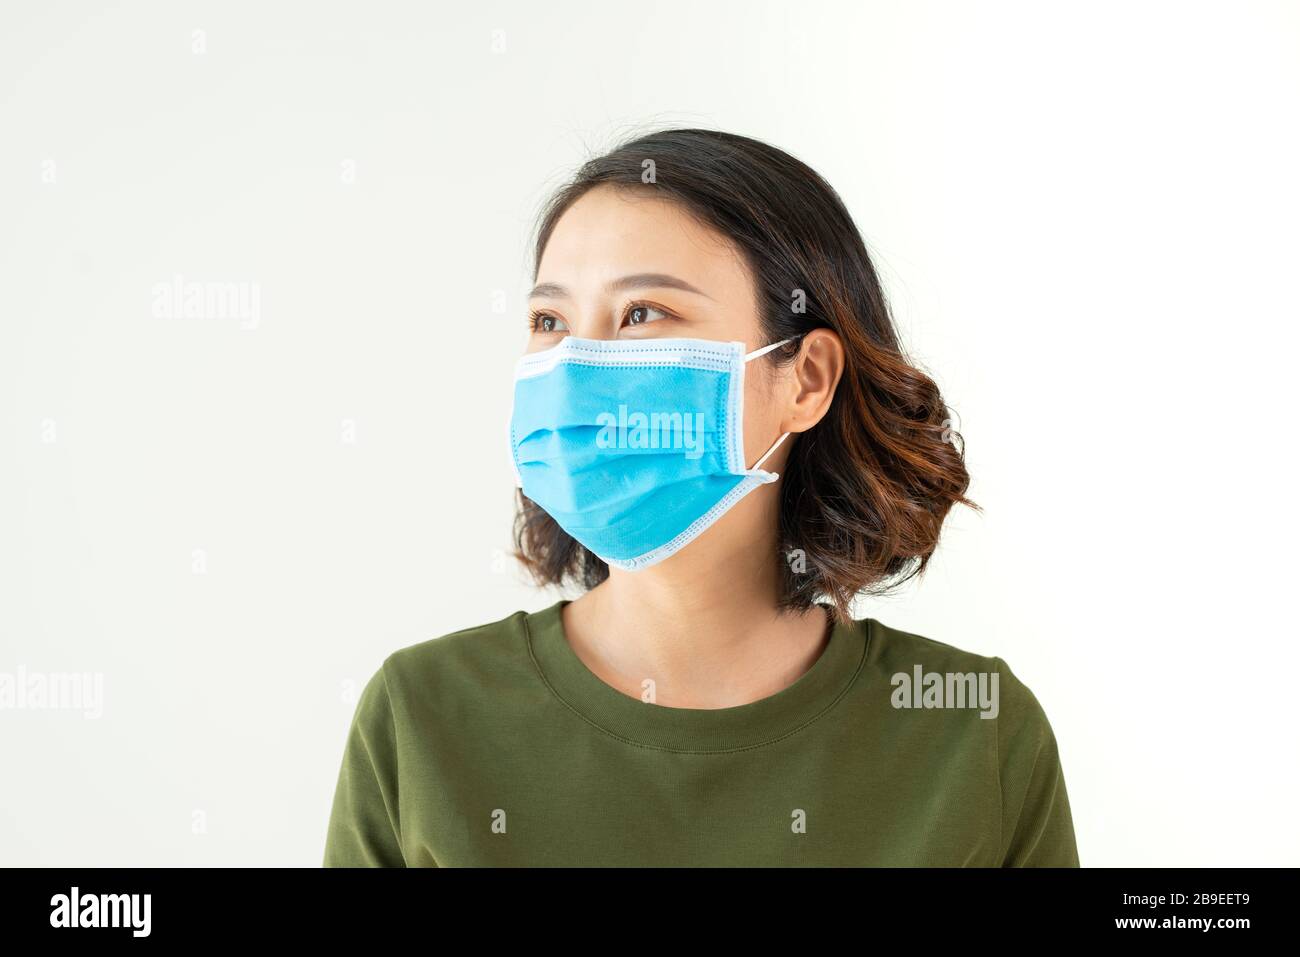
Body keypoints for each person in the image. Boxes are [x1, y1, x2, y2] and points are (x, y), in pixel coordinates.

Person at [323, 128, 1079, 867]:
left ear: (806, 378)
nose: (577, 366)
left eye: (643, 313)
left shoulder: (972, 731)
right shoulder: (420, 717)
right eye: (549, 320)